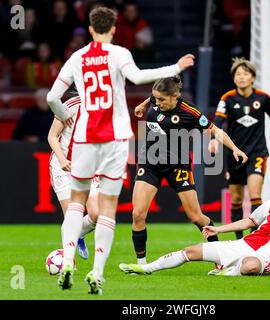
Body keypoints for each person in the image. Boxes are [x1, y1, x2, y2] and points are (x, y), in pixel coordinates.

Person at [46, 6, 195, 294]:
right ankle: (97, 274)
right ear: (113, 29)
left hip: (86, 137)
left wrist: (63, 113)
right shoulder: (119, 54)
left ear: (90, 29)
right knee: (107, 210)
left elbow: (52, 96)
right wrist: (175, 68)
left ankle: (67, 261)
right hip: (114, 138)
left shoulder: (77, 58)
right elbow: (138, 78)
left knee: (77, 203)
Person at [119, 128, 270, 277]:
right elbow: (247, 222)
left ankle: (229, 271)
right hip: (243, 245)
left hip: (264, 259)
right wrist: (218, 228)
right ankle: (146, 268)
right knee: (191, 251)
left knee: (251, 265)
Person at [131, 76, 247, 266]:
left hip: (178, 166)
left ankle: (220, 256)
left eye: (161, 100)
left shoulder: (189, 112)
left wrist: (234, 148)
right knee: (138, 214)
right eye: (155, 99)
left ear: (175, 96)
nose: (157, 103)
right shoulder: (156, 100)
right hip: (149, 162)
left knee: (196, 217)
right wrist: (144, 105)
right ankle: (141, 263)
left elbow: (215, 131)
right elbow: (151, 100)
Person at [208, 57, 270, 239]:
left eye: (245, 74)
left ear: (253, 77)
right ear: (234, 78)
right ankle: (239, 240)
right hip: (234, 154)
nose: (242, 77)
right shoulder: (227, 98)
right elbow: (218, 121)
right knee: (237, 199)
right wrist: (214, 138)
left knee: (255, 194)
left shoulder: (263, 98)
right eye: (238, 74)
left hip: (257, 152)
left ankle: (255, 238)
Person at [48, 94, 99, 260]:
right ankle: (68, 262)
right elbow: (52, 136)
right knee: (72, 215)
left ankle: (79, 235)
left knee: (96, 214)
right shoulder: (71, 105)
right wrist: (62, 159)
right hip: (63, 166)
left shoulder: (107, 109)